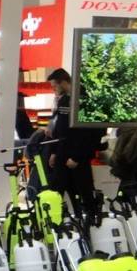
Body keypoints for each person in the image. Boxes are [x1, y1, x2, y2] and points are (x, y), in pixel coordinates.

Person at [45, 68, 105, 213]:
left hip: (79, 157)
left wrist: (78, 157)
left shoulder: (86, 101)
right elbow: (58, 128)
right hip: (62, 153)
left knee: (84, 192)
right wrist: (54, 152)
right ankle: (56, 220)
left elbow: (92, 134)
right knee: (56, 190)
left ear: (63, 82)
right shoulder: (64, 100)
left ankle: (90, 218)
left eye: (55, 86)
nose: (54, 89)